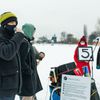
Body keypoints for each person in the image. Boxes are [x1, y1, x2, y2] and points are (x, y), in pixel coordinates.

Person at [0, 12, 26, 100]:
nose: (14, 25)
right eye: (11, 22)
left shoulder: (11, 38)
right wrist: (18, 36)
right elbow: (7, 53)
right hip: (3, 89)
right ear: (4, 24)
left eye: (15, 22)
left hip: (12, 87)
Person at [19, 23, 45, 100]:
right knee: (26, 97)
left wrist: (39, 56)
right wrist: (30, 71)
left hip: (30, 79)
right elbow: (21, 61)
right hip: (26, 80)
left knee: (31, 96)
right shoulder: (23, 43)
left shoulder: (27, 42)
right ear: (28, 31)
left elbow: (30, 57)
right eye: (32, 32)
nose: (33, 33)